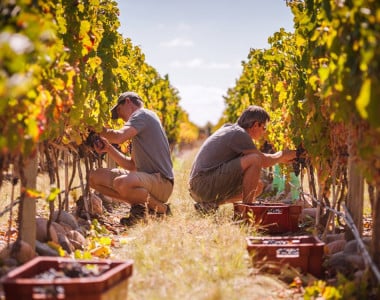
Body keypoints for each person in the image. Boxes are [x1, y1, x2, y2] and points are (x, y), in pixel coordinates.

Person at [188, 105, 296, 213]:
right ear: (255, 125)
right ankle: (247, 212)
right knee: (255, 159)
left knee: (257, 187)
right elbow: (263, 160)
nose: (264, 132)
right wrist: (282, 154)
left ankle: (210, 205)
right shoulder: (239, 134)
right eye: (263, 127)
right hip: (202, 185)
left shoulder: (230, 129)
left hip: (198, 186)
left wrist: (279, 158)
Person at [89, 91, 174, 225]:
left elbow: (119, 136)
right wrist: (108, 149)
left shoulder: (142, 114)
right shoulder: (140, 129)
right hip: (147, 180)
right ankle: (141, 207)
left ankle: (162, 209)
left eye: (119, 111)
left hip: (161, 182)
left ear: (128, 101)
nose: (121, 118)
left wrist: (94, 127)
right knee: (93, 178)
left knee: (121, 183)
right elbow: (131, 165)